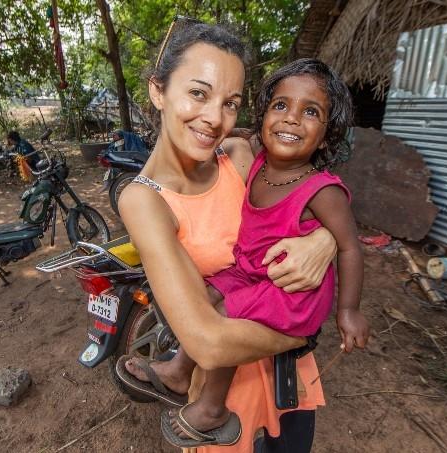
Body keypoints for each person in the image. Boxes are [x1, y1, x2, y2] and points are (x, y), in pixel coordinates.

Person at [116, 23, 343, 452]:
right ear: (158, 91)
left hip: (287, 378)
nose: (215, 119)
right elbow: (208, 342)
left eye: (231, 103)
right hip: (225, 390)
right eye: (198, 93)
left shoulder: (240, 157)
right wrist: (304, 330)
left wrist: (327, 238)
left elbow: (316, 178)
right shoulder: (145, 202)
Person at [153, 58, 369, 448]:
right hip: (252, 271)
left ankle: (212, 408)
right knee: (206, 296)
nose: (291, 119)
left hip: (291, 293)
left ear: (325, 136)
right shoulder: (257, 160)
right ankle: (180, 369)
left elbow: (351, 247)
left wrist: (349, 310)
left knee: (222, 320)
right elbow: (226, 129)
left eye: (311, 112)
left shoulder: (322, 190)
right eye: (281, 106)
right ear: (265, 114)